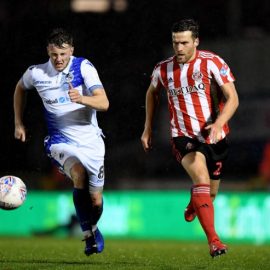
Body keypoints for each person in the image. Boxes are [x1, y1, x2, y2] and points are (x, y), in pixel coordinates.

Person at [141, 19, 239, 257]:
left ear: (196, 41)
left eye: (184, 42)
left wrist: (218, 123)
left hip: (215, 135)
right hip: (183, 136)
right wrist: (147, 128)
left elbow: (233, 98)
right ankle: (214, 242)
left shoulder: (212, 62)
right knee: (201, 177)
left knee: (210, 194)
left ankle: (195, 201)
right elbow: (152, 92)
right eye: (175, 42)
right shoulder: (163, 69)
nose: (179, 48)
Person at [14, 28, 109, 256]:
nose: (59, 59)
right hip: (60, 140)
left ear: (71, 51)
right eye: (55, 54)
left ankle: (92, 227)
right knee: (79, 174)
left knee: (95, 201)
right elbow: (19, 88)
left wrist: (82, 98)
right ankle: (87, 235)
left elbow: (104, 103)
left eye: (64, 54)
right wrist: (18, 122)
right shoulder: (37, 73)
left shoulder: (83, 67)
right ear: (48, 50)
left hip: (91, 141)